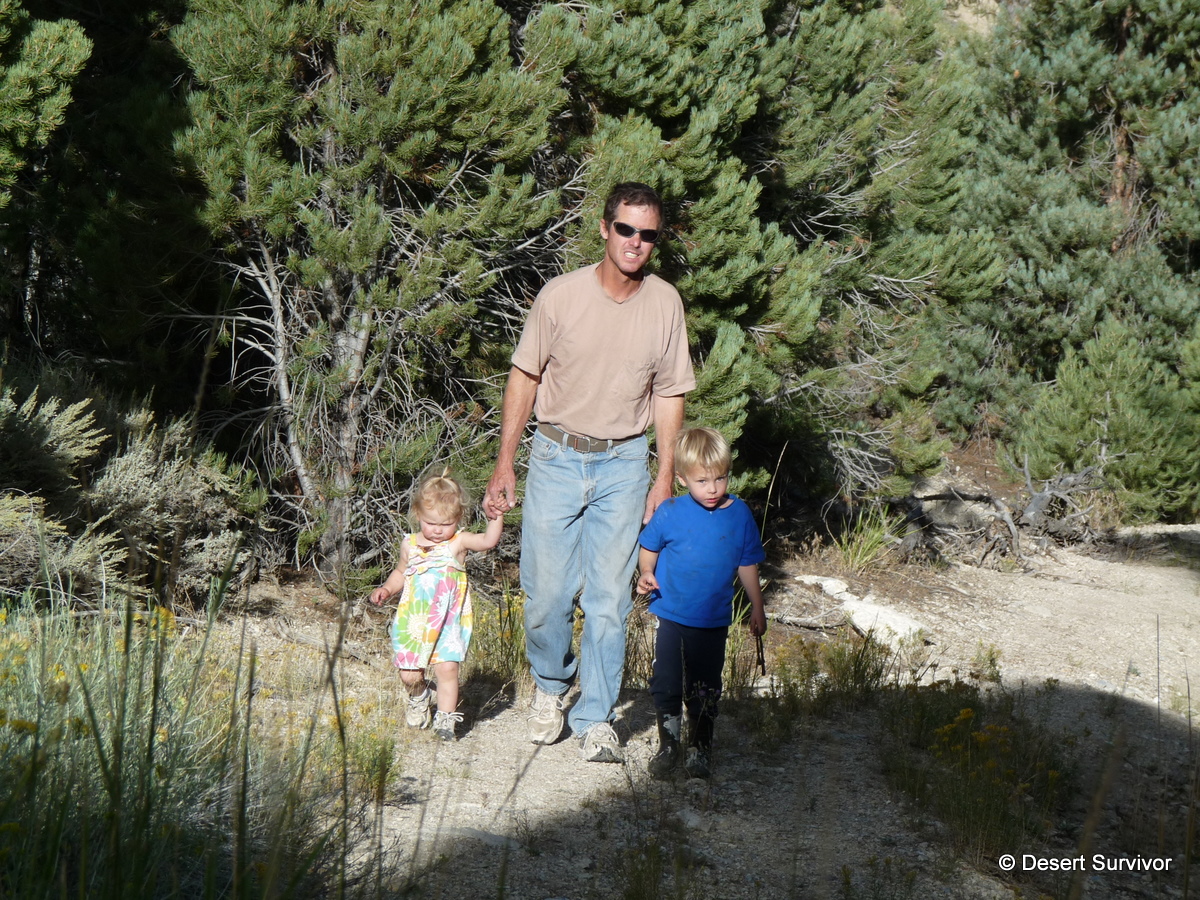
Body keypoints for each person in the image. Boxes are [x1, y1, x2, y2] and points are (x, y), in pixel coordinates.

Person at [484, 182, 695, 763]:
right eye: (625, 229)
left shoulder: (665, 303)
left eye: (647, 234)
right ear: (605, 228)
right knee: (546, 594)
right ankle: (551, 686)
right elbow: (524, 377)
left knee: (609, 600)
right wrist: (505, 462)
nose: (635, 242)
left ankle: (595, 716)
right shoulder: (560, 296)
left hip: (624, 463)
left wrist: (664, 478)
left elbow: (670, 393)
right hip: (555, 455)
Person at [636, 426, 767, 779]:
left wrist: (757, 606)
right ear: (681, 479)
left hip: (713, 620)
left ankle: (700, 748)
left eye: (720, 478)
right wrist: (646, 571)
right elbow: (649, 547)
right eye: (702, 481)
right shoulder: (670, 511)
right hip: (671, 613)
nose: (712, 489)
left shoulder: (739, 514)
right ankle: (669, 746)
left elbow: (747, 563)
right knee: (666, 681)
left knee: (705, 686)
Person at [370, 468, 503, 742]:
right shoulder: (409, 544)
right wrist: (387, 589)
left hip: (448, 621)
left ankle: (445, 719)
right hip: (414, 620)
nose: (438, 530)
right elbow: (400, 572)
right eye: (431, 523)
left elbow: (488, 541)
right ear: (418, 514)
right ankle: (420, 696)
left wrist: (496, 516)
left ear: (458, 519)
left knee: (447, 669)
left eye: (446, 523)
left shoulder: (457, 543)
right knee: (409, 674)